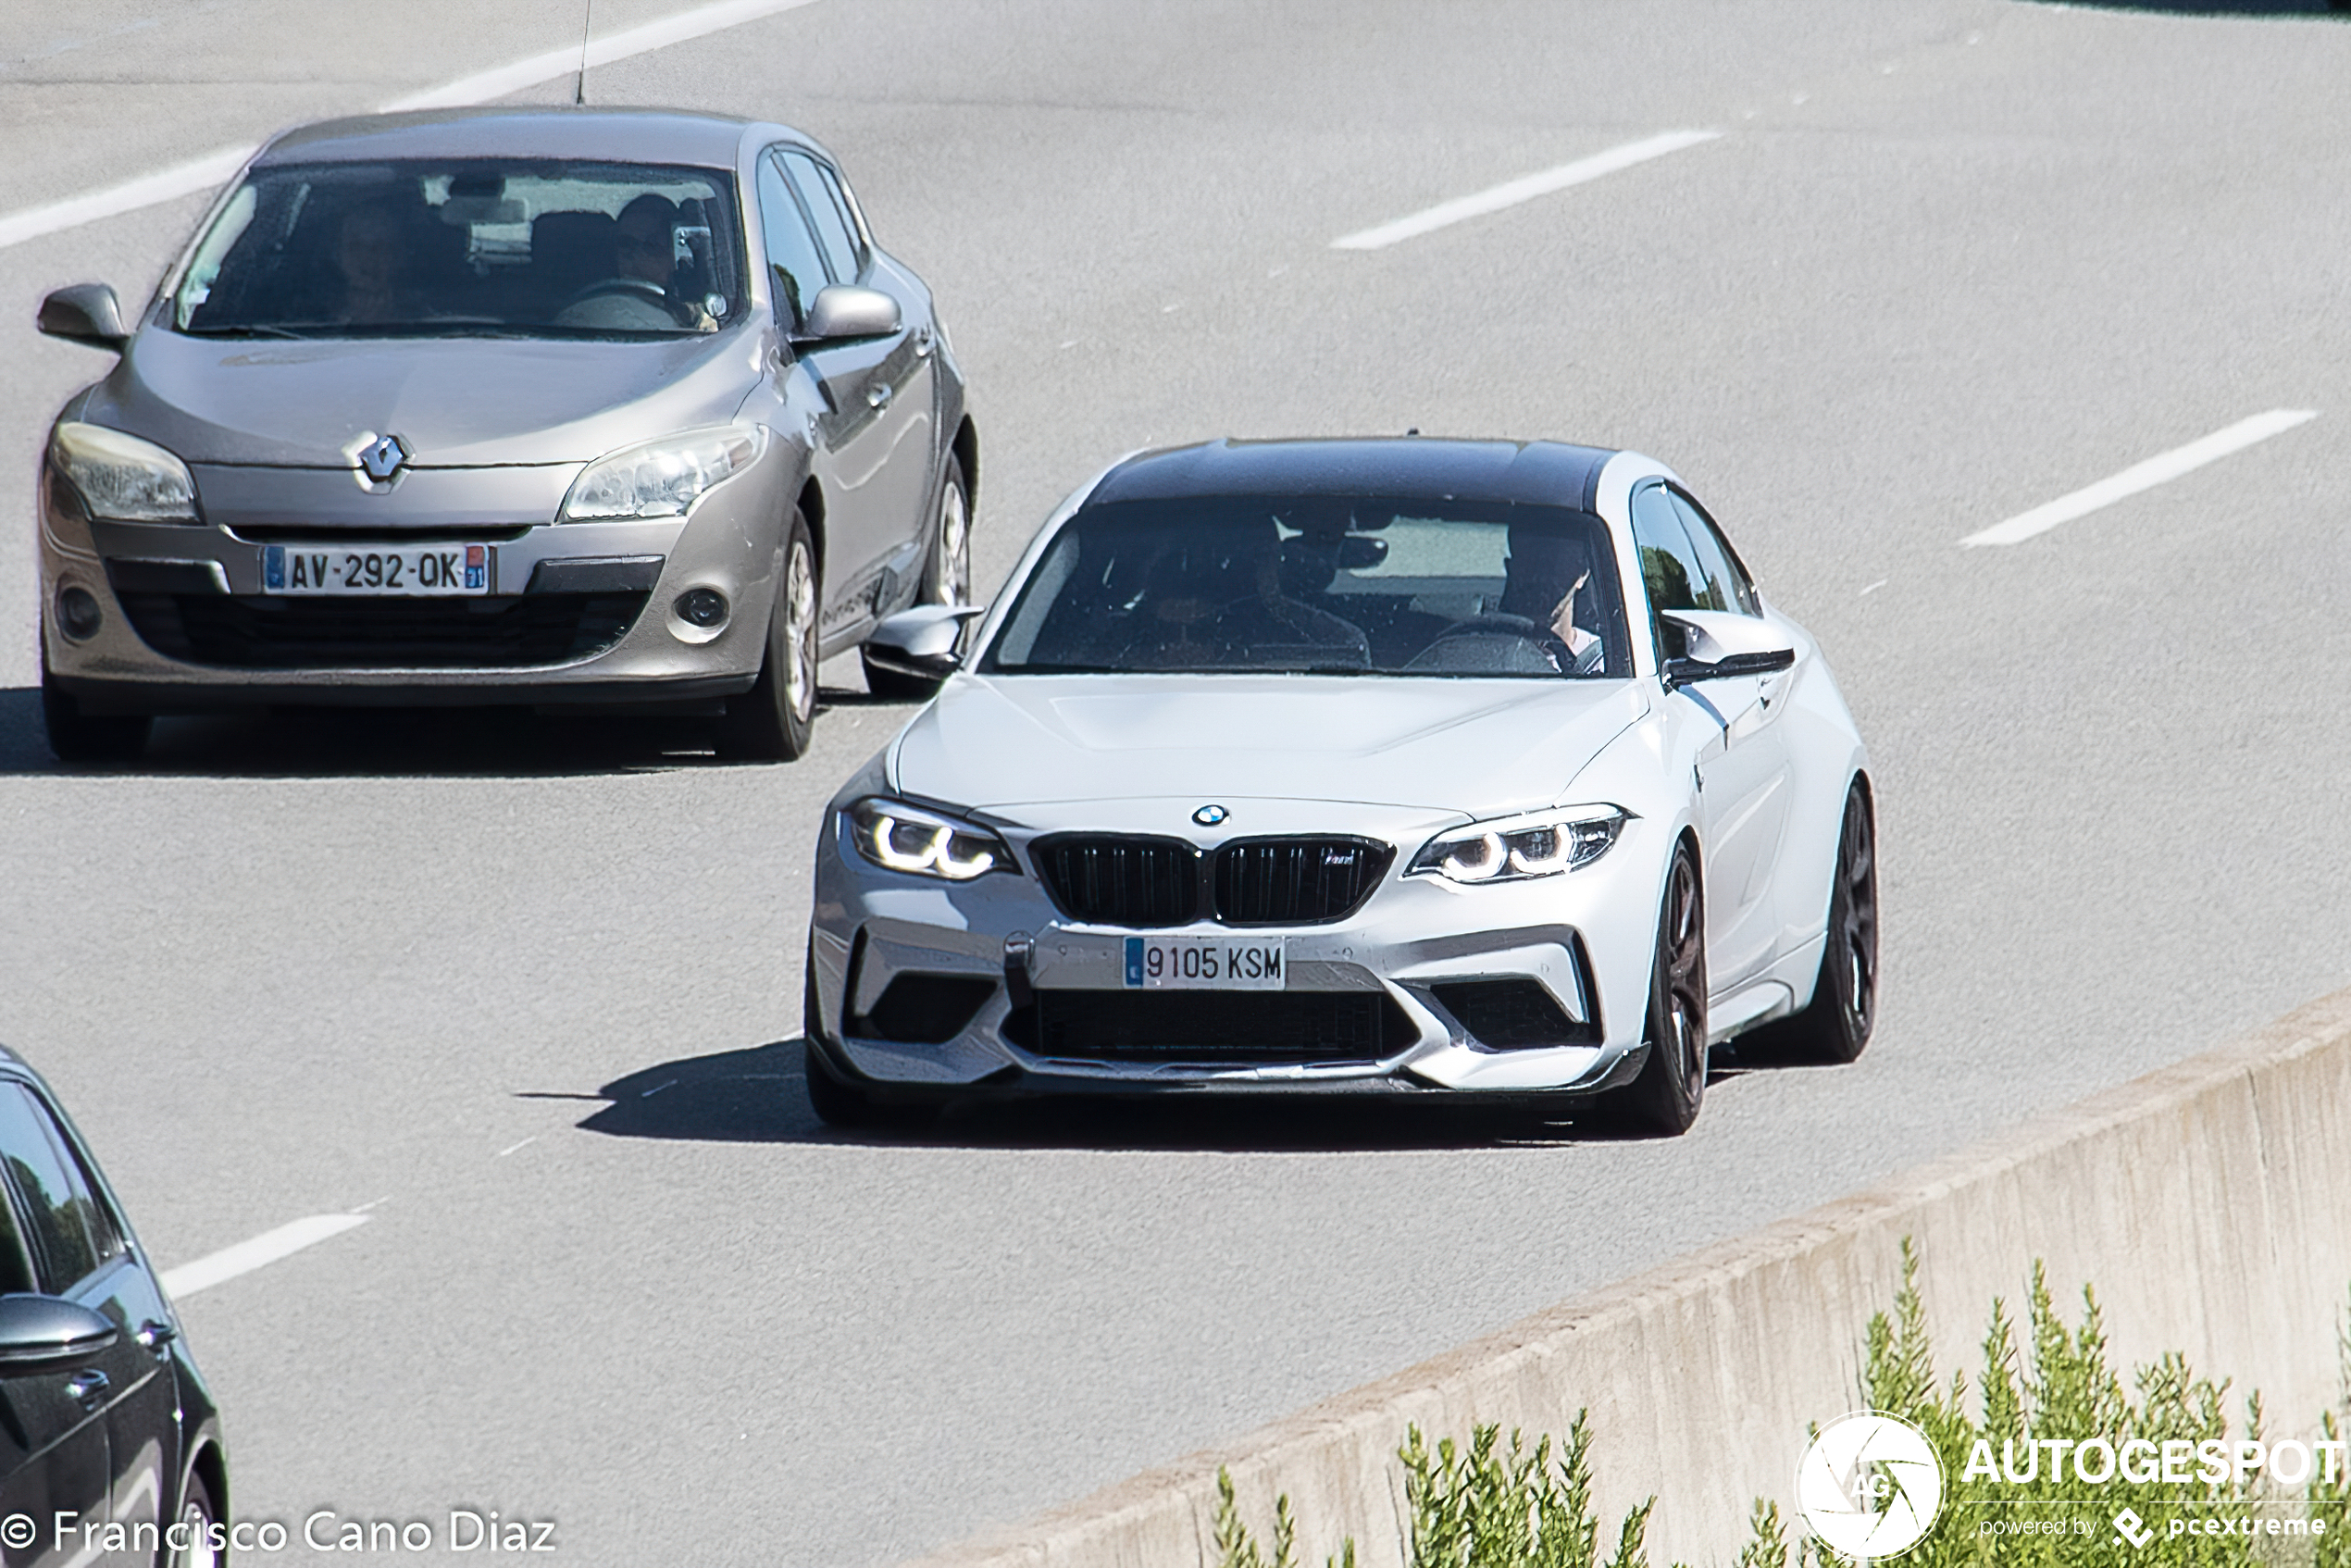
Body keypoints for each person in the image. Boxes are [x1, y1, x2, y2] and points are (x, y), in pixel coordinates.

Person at [553, 194, 714, 331]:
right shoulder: (583, 314)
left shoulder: (711, 318)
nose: (634, 255)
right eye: (626, 244)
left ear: (677, 254)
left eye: (651, 246)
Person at [1498, 526, 1606, 673]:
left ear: (1583, 574)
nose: (1542, 579)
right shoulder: (1488, 654)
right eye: (1531, 564)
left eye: (1558, 566)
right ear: (1512, 569)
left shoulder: (1602, 662)